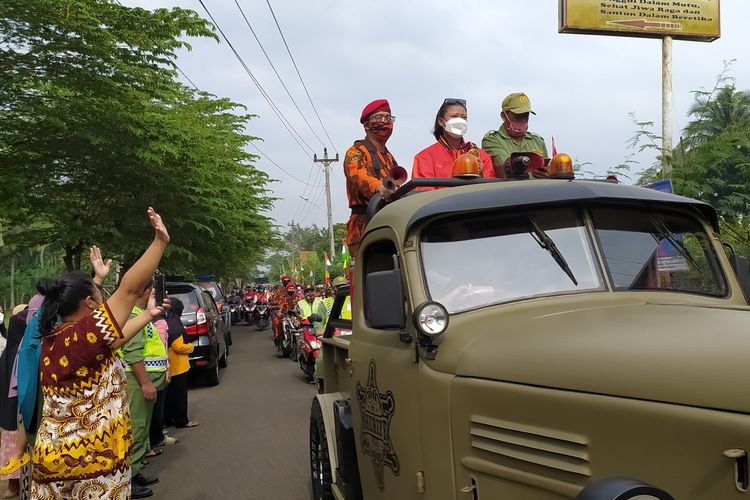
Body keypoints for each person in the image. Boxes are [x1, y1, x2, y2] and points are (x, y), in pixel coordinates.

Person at [30, 207, 170, 500]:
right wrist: (159, 242)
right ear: (90, 304)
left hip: (54, 459)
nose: (104, 300)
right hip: (90, 463)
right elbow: (130, 289)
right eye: (98, 297)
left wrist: (148, 314)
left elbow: (115, 341)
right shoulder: (84, 338)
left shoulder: (57, 339)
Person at [118, 279, 171, 495]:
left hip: (143, 383)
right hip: (137, 383)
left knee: (142, 428)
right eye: (153, 291)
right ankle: (128, 480)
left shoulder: (140, 314)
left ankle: (135, 470)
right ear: (145, 291)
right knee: (137, 430)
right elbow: (133, 353)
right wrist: (146, 382)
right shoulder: (133, 316)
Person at [344, 99, 399, 259]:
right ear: (367, 125)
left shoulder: (390, 158)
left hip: (388, 220)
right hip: (363, 223)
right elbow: (357, 175)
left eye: (388, 118)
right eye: (379, 117)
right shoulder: (355, 152)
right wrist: (378, 187)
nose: (385, 122)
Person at [412, 98, 495, 184]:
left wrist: (481, 175)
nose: (460, 121)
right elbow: (425, 193)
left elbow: (491, 190)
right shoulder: (424, 158)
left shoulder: (482, 156)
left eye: (464, 117)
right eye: (454, 116)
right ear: (441, 121)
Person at [482, 92, 549, 178]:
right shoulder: (492, 140)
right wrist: (533, 175)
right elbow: (506, 171)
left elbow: (547, 171)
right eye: (518, 116)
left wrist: (547, 174)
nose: (523, 120)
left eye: (526, 116)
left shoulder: (538, 142)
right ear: (504, 116)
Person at [164, 298, 198, 429]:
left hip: (169, 365)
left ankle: (168, 420)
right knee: (179, 396)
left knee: (170, 396)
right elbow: (178, 346)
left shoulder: (165, 321)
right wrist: (191, 347)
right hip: (179, 366)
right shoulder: (175, 325)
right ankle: (182, 421)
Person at [270, 275, 293, 341]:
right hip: (282, 311)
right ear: (282, 282)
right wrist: (276, 305)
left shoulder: (294, 289)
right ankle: (278, 336)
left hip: (293, 312)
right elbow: (273, 300)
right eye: (284, 281)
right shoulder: (279, 291)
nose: (286, 282)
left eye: (288, 281)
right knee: (276, 322)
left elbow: (300, 299)